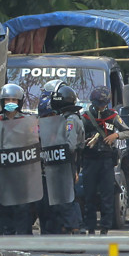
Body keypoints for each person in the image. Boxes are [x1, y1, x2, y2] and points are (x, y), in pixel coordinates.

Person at [78, 86, 129, 235]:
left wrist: (115, 136)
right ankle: (90, 227)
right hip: (90, 160)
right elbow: (78, 137)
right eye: (98, 104)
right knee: (89, 195)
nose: (101, 107)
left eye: (103, 104)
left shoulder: (113, 116)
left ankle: (105, 228)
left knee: (107, 195)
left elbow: (128, 132)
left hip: (107, 160)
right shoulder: (85, 117)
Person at [0, 83, 39, 235]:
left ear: (20, 102)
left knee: (21, 206)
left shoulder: (27, 121)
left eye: (14, 100)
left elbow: (34, 142)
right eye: (7, 100)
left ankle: (22, 238)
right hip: (1, 168)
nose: (10, 103)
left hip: (20, 169)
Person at [38, 83, 84, 235]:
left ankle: (75, 229)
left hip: (64, 163)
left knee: (65, 200)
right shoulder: (64, 118)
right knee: (58, 200)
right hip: (58, 163)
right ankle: (62, 230)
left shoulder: (70, 120)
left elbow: (69, 146)